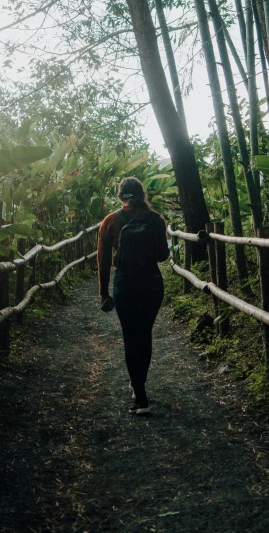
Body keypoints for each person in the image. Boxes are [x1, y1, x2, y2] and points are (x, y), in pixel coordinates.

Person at [97, 176, 169, 415]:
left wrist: (104, 292)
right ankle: (140, 386)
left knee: (130, 337)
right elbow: (163, 256)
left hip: (125, 285)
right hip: (151, 283)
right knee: (144, 335)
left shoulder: (110, 221)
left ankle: (140, 395)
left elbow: (104, 260)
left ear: (120, 196)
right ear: (142, 194)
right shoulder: (157, 220)